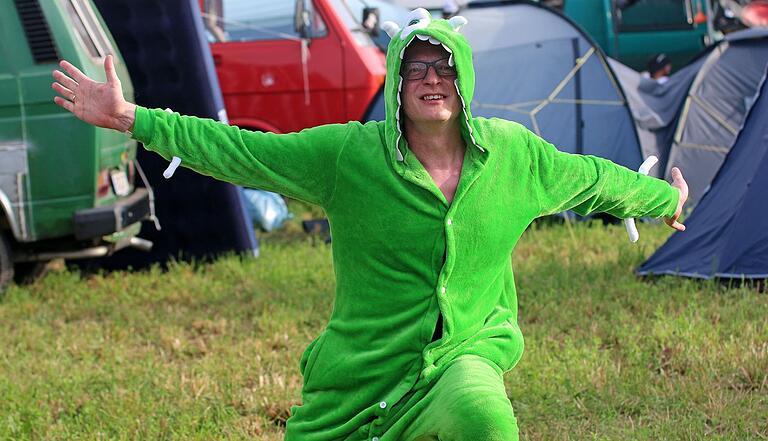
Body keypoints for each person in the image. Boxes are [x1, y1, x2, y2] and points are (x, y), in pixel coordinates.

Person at [51, 9, 687, 441]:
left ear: (465, 80)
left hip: (458, 359)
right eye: (417, 69)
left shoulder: (515, 156)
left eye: (444, 68)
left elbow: (596, 180)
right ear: (398, 84)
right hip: (360, 380)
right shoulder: (350, 156)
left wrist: (661, 197)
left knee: (483, 413)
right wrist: (133, 119)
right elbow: (245, 152)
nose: (431, 80)